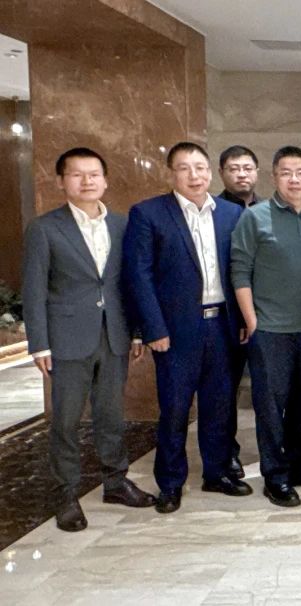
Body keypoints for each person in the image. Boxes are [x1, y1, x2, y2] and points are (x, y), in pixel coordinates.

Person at [23, 147, 156, 531]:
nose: (86, 181)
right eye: (77, 174)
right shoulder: (45, 228)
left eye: (94, 174)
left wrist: (136, 331)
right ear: (61, 181)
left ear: (105, 180)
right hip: (65, 339)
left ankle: (115, 481)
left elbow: (129, 283)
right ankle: (65, 494)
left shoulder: (122, 224)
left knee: (111, 415)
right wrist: (39, 343)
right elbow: (33, 289)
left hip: (114, 334)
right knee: (66, 420)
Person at [124, 142, 251, 514]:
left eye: (200, 167)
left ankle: (217, 472)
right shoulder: (149, 213)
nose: (194, 175)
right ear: (171, 174)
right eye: (184, 168)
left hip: (223, 324)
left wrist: (244, 319)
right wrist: (153, 328)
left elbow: (240, 270)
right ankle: (170, 482)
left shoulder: (231, 213)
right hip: (176, 330)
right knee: (176, 409)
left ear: (210, 172)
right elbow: (139, 276)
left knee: (220, 406)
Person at [232, 146, 301, 508]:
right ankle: (275, 476)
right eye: (286, 173)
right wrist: (252, 321)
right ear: (274, 177)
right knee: (270, 407)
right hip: (270, 330)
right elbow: (240, 271)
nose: (294, 180)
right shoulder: (255, 217)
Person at [216, 144, 260, 477]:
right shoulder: (214, 212)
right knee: (225, 390)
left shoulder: (268, 209)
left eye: (247, 168)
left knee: (271, 389)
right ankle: (226, 452)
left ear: (257, 172)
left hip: (269, 315)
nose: (241, 174)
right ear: (222, 174)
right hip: (228, 319)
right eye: (234, 168)